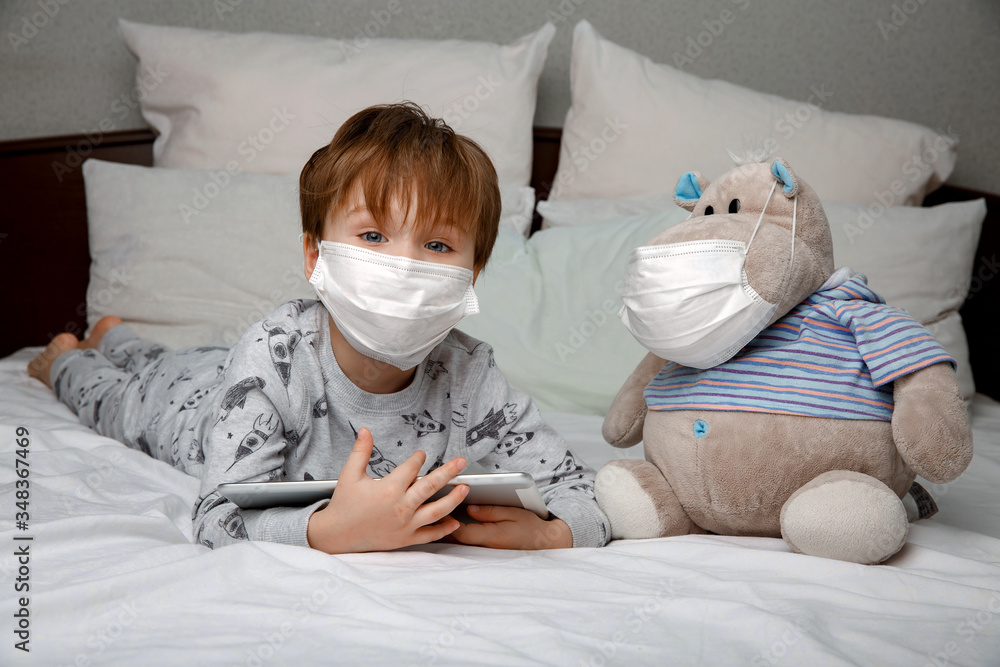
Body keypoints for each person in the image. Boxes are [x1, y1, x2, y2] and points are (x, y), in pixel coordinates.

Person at [27, 102, 610, 553]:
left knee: (175, 355)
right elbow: (216, 518)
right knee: (119, 391)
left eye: (437, 244)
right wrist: (330, 531)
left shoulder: (471, 374)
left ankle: (116, 336)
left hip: (225, 368)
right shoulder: (272, 355)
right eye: (374, 236)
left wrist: (550, 535)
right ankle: (76, 355)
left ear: (473, 272)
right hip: (190, 406)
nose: (403, 268)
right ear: (315, 256)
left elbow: (579, 491)